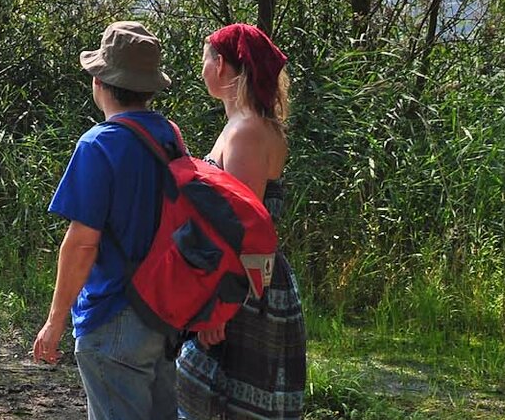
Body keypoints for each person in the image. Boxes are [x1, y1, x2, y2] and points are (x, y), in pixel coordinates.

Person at [33, 21, 182, 419]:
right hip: (164, 315)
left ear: (101, 81)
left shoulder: (99, 143)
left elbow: (82, 242)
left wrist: (55, 321)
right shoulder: (170, 137)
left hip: (113, 316)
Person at [175, 23, 307, 419]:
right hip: (242, 281)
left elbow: (242, 229)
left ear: (222, 65)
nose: (201, 70)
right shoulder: (242, 125)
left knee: (223, 402)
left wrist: (220, 307)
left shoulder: (247, 131)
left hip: (243, 287)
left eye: (205, 60)